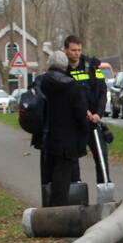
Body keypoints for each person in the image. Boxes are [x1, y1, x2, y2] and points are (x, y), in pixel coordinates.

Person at [36, 50, 90, 206]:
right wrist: (84, 133)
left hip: (45, 137)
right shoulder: (72, 85)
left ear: (49, 64)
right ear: (65, 65)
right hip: (67, 140)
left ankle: (47, 208)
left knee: (47, 176)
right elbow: (80, 113)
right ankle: (58, 213)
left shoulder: (41, 82)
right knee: (63, 177)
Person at [63, 34, 110, 184]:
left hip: (93, 122)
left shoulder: (91, 67)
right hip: (74, 123)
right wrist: (82, 111)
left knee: (101, 157)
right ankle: (77, 191)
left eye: (79, 50)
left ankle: (105, 188)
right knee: (73, 159)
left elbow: (102, 91)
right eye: (73, 50)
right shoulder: (63, 69)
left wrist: (98, 114)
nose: (76, 53)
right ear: (66, 50)